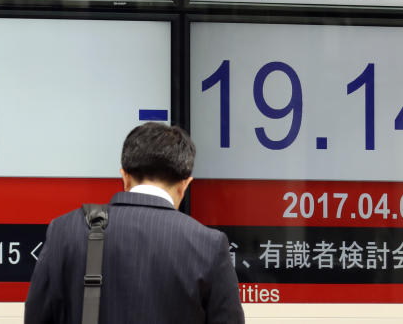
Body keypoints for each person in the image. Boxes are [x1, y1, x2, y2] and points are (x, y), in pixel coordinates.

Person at [24, 123, 244, 324]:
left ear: (125, 176)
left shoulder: (65, 230)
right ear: (185, 184)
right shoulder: (209, 245)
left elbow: (37, 317)